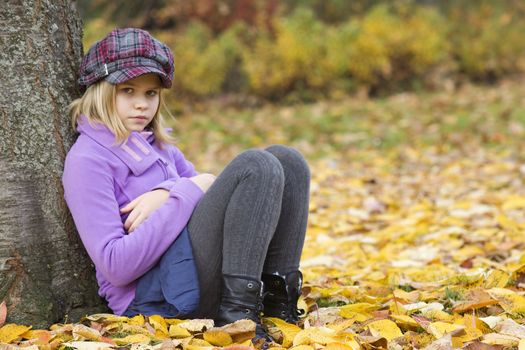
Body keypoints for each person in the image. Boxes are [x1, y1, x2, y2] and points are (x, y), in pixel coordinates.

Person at [62, 28, 310, 339]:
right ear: (99, 90)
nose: (141, 104)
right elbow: (115, 265)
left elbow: (201, 195)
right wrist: (185, 191)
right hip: (156, 296)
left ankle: (278, 305)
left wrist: (168, 192)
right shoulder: (88, 160)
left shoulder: (159, 147)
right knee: (256, 165)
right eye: (128, 91)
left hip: (191, 270)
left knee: (288, 161)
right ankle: (238, 317)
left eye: (150, 93)